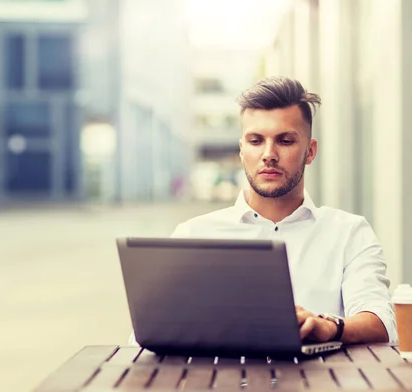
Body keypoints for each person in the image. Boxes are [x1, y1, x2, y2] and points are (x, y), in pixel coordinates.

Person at [130, 76, 396, 345]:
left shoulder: (349, 232)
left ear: (310, 151)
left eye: (285, 141)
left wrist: (327, 327)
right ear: (242, 150)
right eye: (256, 141)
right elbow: (144, 337)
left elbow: (381, 322)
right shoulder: (192, 235)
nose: (269, 154)